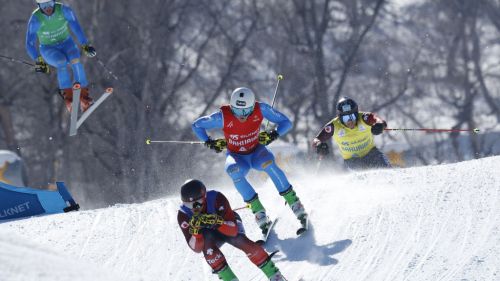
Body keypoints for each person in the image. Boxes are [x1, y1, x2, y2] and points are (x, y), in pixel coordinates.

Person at [192, 87, 308, 235]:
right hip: (238, 158)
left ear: (252, 106)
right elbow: (197, 125)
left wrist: (273, 134)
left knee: (269, 164)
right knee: (233, 171)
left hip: (257, 153)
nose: (242, 115)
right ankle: (258, 211)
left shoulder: (261, 109)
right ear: (232, 107)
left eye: (246, 111)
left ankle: (295, 203)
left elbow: (286, 123)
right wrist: (210, 142)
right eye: (237, 111)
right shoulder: (222, 117)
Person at [177, 179, 287, 281]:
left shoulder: (216, 198)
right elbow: (196, 249)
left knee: (239, 240)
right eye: (189, 204)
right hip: (209, 236)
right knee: (209, 251)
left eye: (199, 201)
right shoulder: (183, 214)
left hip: (228, 225)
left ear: (205, 195)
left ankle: (274, 275)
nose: (195, 207)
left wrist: (217, 222)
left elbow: (233, 230)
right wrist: (196, 233)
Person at [26, 0, 97, 112]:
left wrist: (85, 44)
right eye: (43, 5)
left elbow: (76, 27)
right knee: (61, 62)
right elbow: (29, 43)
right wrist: (38, 60)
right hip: (48, 49)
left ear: (54, 2)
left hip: (66, 43)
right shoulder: (36, 19)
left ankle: (84, 97)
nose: (47, 8)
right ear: (38, 5)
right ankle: (69, 98)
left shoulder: (64, 10)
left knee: (76, 60)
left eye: (50, 4)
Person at [312, 97, 391, 170]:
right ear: (340, 118)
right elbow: (317, 139)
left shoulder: (364, 118)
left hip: (372, 154)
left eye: (352, 116)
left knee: (387, 171)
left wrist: (380, 125)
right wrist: (319, 145)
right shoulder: (334, 126)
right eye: (345, 118)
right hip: (353, 161)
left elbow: (379, 120)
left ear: (357, 114)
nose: (350, 121)